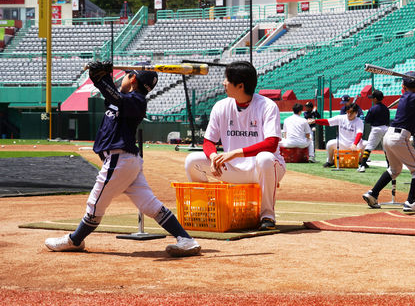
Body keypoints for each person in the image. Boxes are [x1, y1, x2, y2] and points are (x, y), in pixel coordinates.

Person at [45, 62, 201, 257]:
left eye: (127, 75)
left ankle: (75, 240)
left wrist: (101, 80)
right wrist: (102, 78)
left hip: (120, 160)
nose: (124, 78)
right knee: (149, 204)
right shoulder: (123, 98)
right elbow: (113, 96)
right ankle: (186, 239)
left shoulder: (137, 101)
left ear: (133, 79)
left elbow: (117, 97)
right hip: (127, 162)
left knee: (95, 203)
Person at [184, 61, 286, 231]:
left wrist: (235, 153)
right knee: (192, 160)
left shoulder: (267, 106)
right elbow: (208, 141)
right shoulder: (221, 106)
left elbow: (271, 143)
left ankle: (267, 216)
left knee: (266, 158)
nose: (224, 83)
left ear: (240, 86)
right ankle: (205, 208)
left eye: (227, 80)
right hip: (231, 169)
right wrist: (213, 157)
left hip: (260, 169)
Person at [361, 71, 415, 213]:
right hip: (400, 137)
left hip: (389, 136)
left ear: (403, 86)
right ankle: (411, 202)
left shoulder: (408, 96)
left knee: (394, 170)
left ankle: (373, 193)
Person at [308, 103, 365, 167]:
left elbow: (359, 133)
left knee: (366, 144)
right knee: (330, 143)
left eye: (351, 112)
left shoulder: (359, 121)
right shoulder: (341, 118)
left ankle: (361, 160)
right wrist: (315, 121)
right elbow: (328, 121)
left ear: (356, 113)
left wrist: (355, 144)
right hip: (342, 143)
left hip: (353, 145)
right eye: (348, 111)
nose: (349, 114)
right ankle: (330, 161)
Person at [357, 89, 390, 172]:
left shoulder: (373, 108)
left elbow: (367, 120)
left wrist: (365, 118)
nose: (371, 99)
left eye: (372, 98)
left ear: (375, 99)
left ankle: (362, 166)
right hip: (386, 128)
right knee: (386, 149)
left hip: (376, 129)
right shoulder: (386, 108)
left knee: (369, 147)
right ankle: (390, 167)